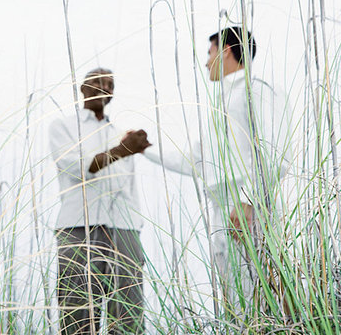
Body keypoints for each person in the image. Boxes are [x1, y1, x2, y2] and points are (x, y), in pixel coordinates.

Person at [143, 27, 290, 322]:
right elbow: (197, 161)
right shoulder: (220, 101)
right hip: (222, 211)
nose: (206, 61)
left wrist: (248, 201)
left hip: (249, 208)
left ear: (225, 51)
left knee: (265, 293)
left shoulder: (255, 89)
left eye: (209, 53)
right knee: (235, 301)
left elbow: (274, 151)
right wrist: (144, 149)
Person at [49, 68, 151, 334]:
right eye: (96, 82)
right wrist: (122, 150)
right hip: (79, 226)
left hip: (124, 228)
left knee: (128, 313)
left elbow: (128, 186)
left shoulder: (120, 133)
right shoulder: (63, 126)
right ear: (82, 88)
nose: (103, 87)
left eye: (109, 84)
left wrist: (135, 227)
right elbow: (77, 167)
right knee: (78, 312)